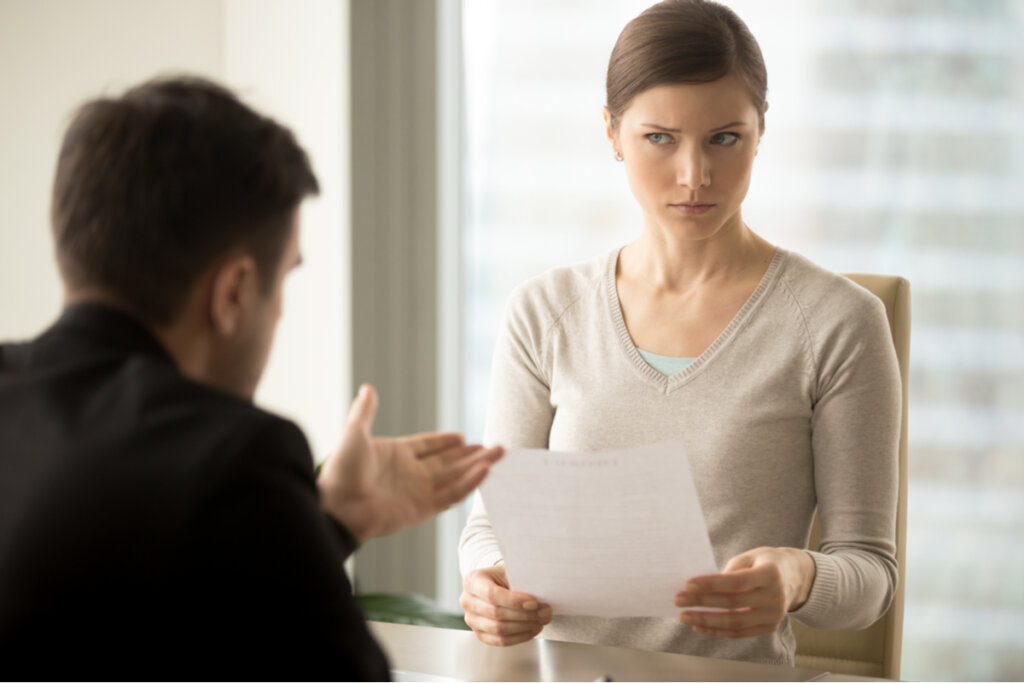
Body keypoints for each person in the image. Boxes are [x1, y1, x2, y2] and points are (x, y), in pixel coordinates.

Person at [0, 76, 503, 679]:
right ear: (234, 292)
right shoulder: (233, 457)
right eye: (283, 280)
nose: (281, 312)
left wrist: (332, 523)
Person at [458, 0, 900, 667]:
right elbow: (490, 530)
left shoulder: (839, 324)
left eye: (725, 137)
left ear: (760, 130)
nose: (695, 175)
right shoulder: (542, 314)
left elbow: (870, 574)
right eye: (659, 138)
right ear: (611, 132)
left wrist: (799, 575)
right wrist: (488, 584)